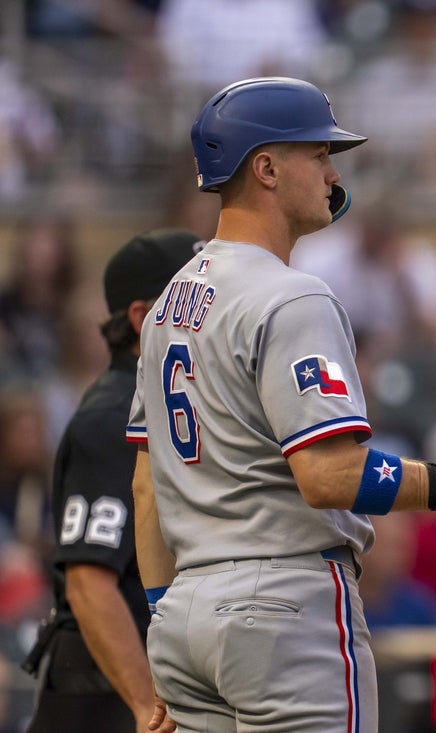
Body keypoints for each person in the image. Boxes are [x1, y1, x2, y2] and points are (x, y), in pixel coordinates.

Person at [126, 76, 436, 733]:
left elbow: (146, 485)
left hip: (184, 615)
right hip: (282, 606)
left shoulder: (168, 306)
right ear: (266, 168)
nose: (332, 173)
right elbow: (330, 476)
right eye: (318, 155)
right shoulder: (293, 296)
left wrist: (163, 612)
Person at [22, 228, 202, 733]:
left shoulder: (171, 403)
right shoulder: (111, 418)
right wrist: (146, 709)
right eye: (191, 301)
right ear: (143, 318)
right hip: (103, 698)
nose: (210, 314)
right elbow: (90, 582)